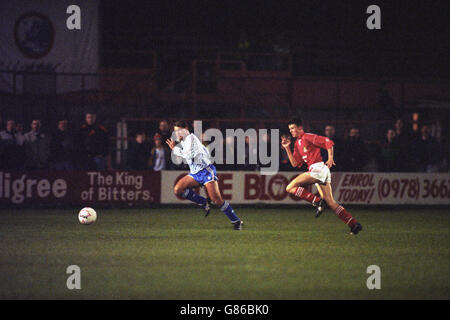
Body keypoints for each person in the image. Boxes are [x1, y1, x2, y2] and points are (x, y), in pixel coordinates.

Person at [281, 117, 362, 235]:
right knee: (331, 202)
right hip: (319, 171)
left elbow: (328, 142)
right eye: (290, 129)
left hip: (318, 169)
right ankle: (354, 224)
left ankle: (317, 201)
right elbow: (295, 164)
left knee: (290, 187)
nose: (291, 131)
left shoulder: (308, 136)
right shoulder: (297, 143)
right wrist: (287, 148)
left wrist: (330, 158)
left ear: (300, 128)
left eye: (293, 128)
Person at [165, 120, 243, 230]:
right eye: (175, 132)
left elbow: (189, 156)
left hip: (206, 172)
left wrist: (175, 149)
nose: (177, 134)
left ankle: (236, 221)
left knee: (217, 200)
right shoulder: (185, 140)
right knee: (178, 189)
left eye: (179, 131)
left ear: (185, 130)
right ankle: (203, 203)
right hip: (195, 173)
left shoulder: (191, 139)